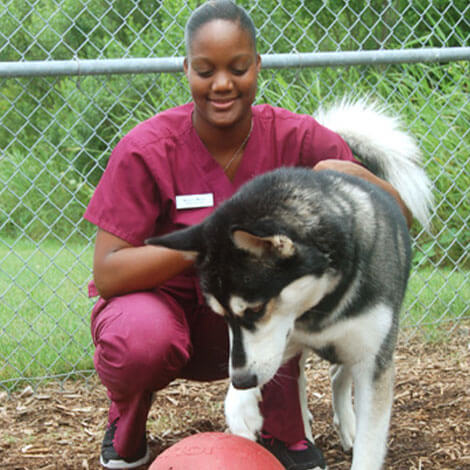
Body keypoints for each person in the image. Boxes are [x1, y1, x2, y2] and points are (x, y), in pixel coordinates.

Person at [84, 1, 411, 469]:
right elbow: (109, 272)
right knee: (141, 338)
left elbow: (394, 218)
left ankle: (282, 427)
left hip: (258, 321)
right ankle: (129, 419)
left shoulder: (297, 138)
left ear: (257, 67)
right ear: (186, 70)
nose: (222, 84)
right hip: (173, 312)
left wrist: (355, 176)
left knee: (287, 282)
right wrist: (211, 244)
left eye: (238, 68)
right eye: (205, 70)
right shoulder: (147, 148)